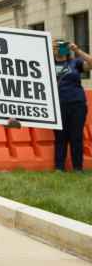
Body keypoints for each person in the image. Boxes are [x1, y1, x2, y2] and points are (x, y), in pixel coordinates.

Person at [52, 38, 91, 171]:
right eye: (57, 46)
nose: (59, 49)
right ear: (53, 49)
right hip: (58, 105)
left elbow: (91, 63)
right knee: (60, 137)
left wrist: (77, 50)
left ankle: (78, 168)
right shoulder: (48, 64)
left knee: (76, 136)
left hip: (77, 104)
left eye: (62, 46)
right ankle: (59, 167)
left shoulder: (75, 63)